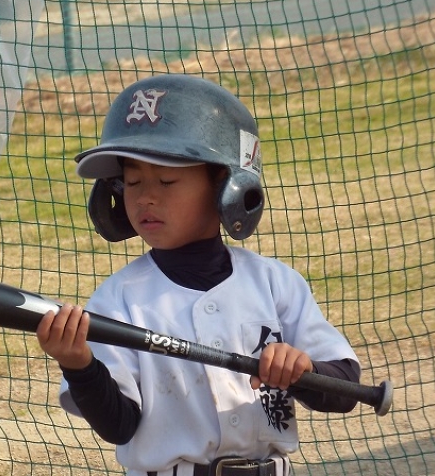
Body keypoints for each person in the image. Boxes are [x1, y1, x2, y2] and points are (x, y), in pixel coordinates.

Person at [36, 74, 361, 476]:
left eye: (166, 180)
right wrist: (79, 364)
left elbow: (346, 388)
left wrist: (302, 371)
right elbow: (119, 425)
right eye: (132, 181)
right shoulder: (118, 300)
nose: (146, 196)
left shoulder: (274, 283)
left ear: (225, 184)